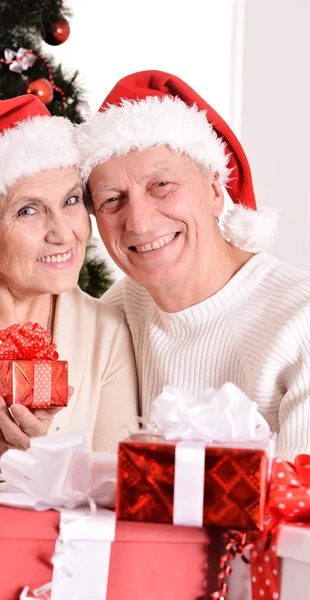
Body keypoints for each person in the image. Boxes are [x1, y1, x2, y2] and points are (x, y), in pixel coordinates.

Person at [0, 95, 138, 509]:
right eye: (28, 210)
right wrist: (33, 468)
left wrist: (42, 454)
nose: (63, 233)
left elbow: (116, 503)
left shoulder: (107, 329)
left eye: (70, 201)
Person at [76, 70, 310, 462]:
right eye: (112, 200)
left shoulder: (299, 320)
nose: (139, 222)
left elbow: (301, 514)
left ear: (216, 191)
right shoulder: (117, 314)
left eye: (161, 185)